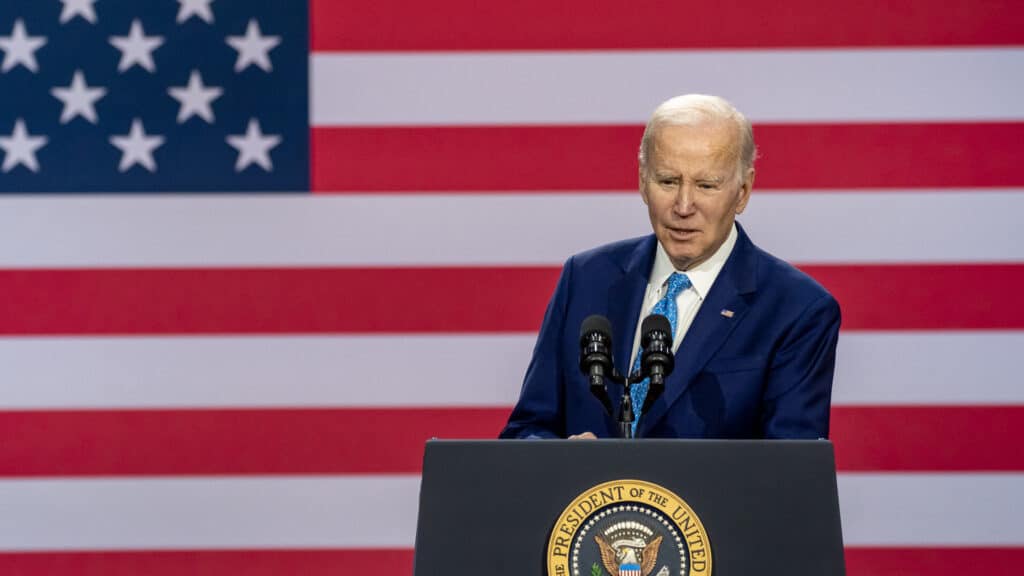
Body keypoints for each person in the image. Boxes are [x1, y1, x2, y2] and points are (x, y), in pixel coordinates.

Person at [499, 94, 841, 440]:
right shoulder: (586, 278)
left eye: (706, 185)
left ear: (743, 191)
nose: (683, 205)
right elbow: (526, 430)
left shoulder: (797, 310)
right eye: (667, 181)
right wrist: (558, 459)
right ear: (642, 181)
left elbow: (791, 474)